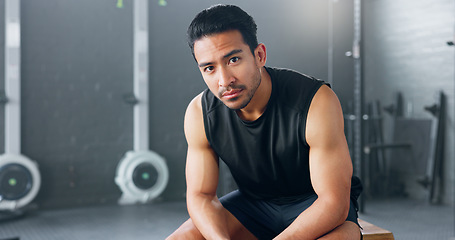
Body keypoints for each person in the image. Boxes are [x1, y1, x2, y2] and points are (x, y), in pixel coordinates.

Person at [167, 4, 362, 240]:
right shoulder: (200, 112)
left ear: (259, 55)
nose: (224, 80)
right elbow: (201, 196)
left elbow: (333, 202)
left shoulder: (315, 100)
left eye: (233, 60)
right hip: (253, 207)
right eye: (209, 68)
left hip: (315, 206)